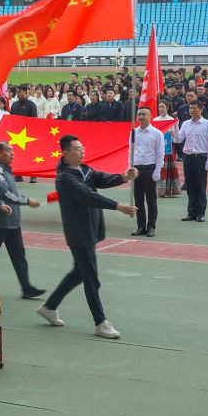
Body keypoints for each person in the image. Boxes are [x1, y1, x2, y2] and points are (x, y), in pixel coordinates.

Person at [38, 134, 137, 339]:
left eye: (82, 148)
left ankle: (49, 307)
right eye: (77, 149)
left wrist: (123, 177)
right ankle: (100, 322)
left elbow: (101, 178)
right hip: (79, 233)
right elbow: (88, 196)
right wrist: (119, 207)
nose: (81, 151)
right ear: (65, 153)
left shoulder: (85, 169)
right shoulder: (65, 178)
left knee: (79, 273)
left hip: (90, 229)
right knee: (91, 278)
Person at [0, 142, 46, 300]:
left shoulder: (5, 169)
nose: (12, 153)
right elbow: (5, 193)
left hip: (11, 222)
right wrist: (27, 201)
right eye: (8, 150)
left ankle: (26, 288)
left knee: (19, 256)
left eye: (12, 150)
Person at [178, 101, 208, 222]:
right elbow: (178, 139)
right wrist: (174, 128)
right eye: (190, 108)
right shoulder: (185, 124)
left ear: (201, 109)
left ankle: (201, 213)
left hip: (201, 157)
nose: (192, 111)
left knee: (200, 186)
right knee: (190, 186)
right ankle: (191, 212)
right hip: (188, 157)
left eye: (194, 108)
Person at [128, 107, 162, 237]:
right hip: (136, 169)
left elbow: (160, 154)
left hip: (150, 169)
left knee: (151, 200)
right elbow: (131, 151)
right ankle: (141, 226)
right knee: (138, 200)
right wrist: (130, 167)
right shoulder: (133, 132)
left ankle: (151, 227)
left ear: (150, 116)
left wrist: (157, 171)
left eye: (144, 114)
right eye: (139, 114)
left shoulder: (156, 133)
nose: (141, 117)